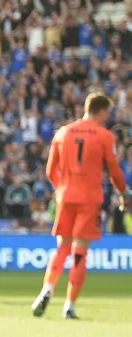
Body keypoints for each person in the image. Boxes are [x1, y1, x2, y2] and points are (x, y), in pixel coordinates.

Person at [32, 93, 128, 319]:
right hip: (90, 198)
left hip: (66, 197)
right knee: (79, 254)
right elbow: (114, 171)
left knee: (62, 248)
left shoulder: (63, 132)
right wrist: (124, 193)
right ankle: (69, 306)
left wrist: (61, 189)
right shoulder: (104, 136)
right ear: (102, 111)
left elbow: (49, 170)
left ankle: (47, 289)